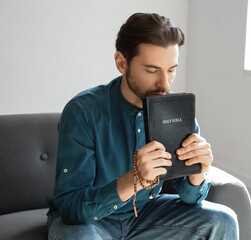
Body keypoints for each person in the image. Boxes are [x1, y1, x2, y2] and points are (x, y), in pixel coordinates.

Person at [46, 12, 239, 240]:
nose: (165, 84)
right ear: (121, 62)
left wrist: (197, 173)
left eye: (171, 69)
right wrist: (133, 180)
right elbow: (70, 207)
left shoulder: (175, 110)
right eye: (151, 70)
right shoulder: (83, 112)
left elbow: (190, 199)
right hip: (91, 221)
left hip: (146, 214)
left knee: (223, 220)